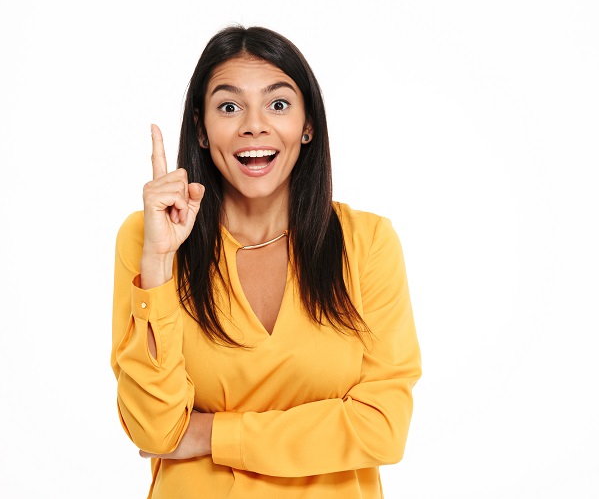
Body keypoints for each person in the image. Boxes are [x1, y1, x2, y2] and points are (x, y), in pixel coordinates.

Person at [111, 25, 421, 499]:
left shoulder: (367, 243)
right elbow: (154, 430)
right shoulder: (151, 238)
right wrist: (157, 261)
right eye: (229, 106)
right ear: (200, 126)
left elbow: (381, 427)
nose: (253, 125)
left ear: (307, 124)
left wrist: (209, 434)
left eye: (278, 104)